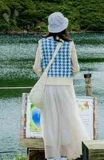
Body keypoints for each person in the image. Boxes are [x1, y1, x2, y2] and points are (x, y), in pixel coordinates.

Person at [33, 12, 89, 160]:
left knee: (50, 122)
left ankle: (53, 156)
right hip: (65, 87)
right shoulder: (69, 44)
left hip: (48, 87)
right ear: (64, 26)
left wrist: (47, 77)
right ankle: (67, 154)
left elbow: (37, 67)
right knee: (68, 120)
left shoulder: (41, 43)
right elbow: (76, 68)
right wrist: (65, 76)